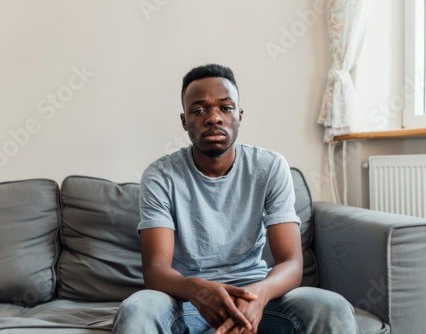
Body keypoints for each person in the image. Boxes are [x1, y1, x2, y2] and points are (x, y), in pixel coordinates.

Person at [112, 64, 358, 334]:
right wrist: (198, 291)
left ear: (239, 116)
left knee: (331, 306)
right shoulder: (160, 175)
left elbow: (291, 262)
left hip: (255, 297)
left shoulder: (270, 167)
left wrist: (259, 295)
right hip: (186, 301)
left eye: (225, 108)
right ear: (184, 121)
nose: (213, 118)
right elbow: (155, 269)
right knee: (138, 309)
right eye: (199, 110)